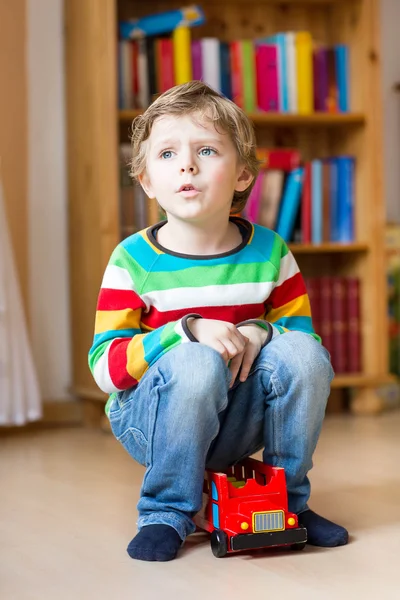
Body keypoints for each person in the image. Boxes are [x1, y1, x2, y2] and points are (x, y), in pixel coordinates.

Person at [88, 81, 348, 562]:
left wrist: (260, 330)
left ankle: (288, 504)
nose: (186, 164)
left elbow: (305, 346)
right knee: (195, 362)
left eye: (206, 150)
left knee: (303, 354)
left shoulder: (270, 251)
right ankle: (166, 511)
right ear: (146, 180)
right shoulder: (133, 260)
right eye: (167, 154)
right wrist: (183, 331)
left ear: (244, 174)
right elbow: (105, 369)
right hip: (153, 419)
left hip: (236, 414)